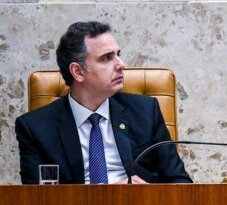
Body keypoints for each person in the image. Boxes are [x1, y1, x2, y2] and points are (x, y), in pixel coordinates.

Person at [15, 22, 191, 184]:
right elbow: (36, 202)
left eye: (118, 55)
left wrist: (148, 196)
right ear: (78, 71)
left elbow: (181, 183)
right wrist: (105, 199)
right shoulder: (34, 128)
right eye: (107, 58)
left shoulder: (145, 111)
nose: (121, 64)